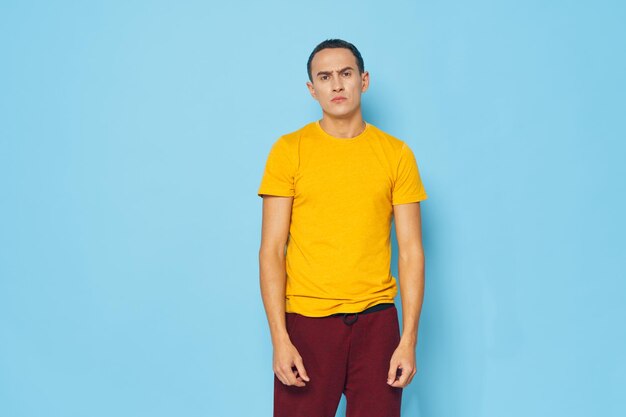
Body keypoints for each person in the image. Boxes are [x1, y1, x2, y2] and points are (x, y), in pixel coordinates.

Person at [257, 38, 428, 417]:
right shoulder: (289, 150)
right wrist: (279, 340)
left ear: (363, 81)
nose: (337, 84)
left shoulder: (396, 154)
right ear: (312, 89)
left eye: (346, 73)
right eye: (325, 76)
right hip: (307, 324)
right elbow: (272, 249)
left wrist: (408, 339)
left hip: (377, 323)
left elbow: (412, 250)